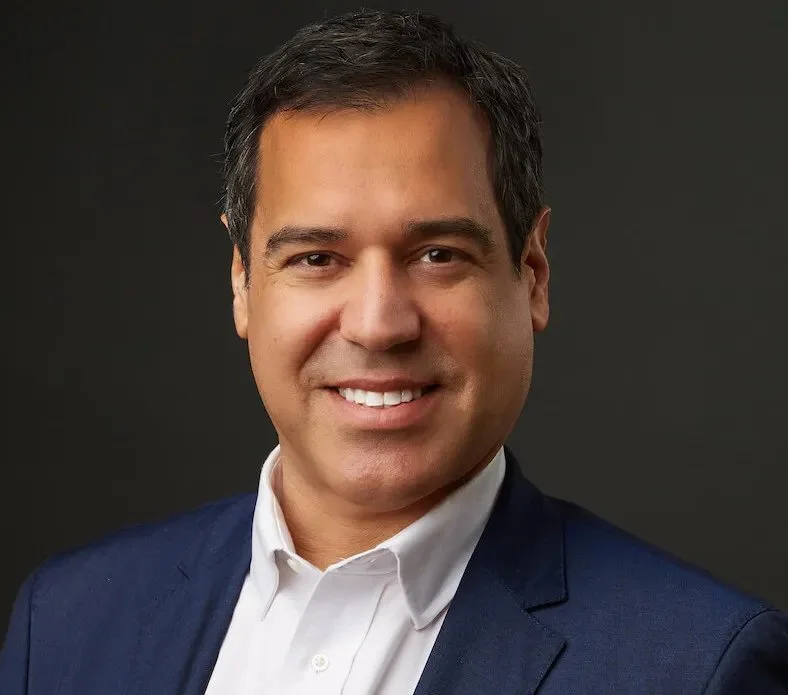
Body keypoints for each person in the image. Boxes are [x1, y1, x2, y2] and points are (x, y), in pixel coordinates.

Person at [1, 8, 786, 694]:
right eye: (317, 258)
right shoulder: (66, 622)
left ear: (533, 273)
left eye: (438, 254)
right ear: (243, 283)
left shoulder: (697, 666)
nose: (379, 325)